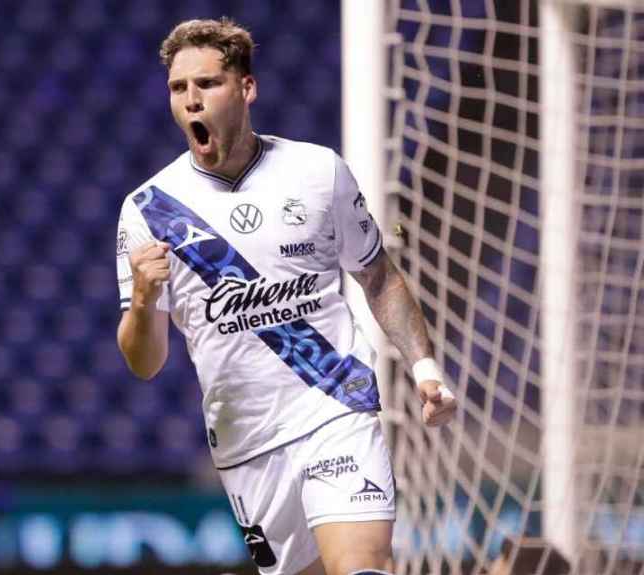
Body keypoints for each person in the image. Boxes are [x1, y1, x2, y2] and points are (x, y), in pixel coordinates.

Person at [115, 18, 456, 575]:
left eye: (207, 84)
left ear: (246, 89)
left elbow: (377, 275)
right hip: (247, 440)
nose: (192, 100)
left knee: (363, 567)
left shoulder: (317, 171)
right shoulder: (148, 210)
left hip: (336, 406)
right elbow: (145, 363)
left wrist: (423, 367)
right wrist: (144, 300)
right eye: (179, 89)